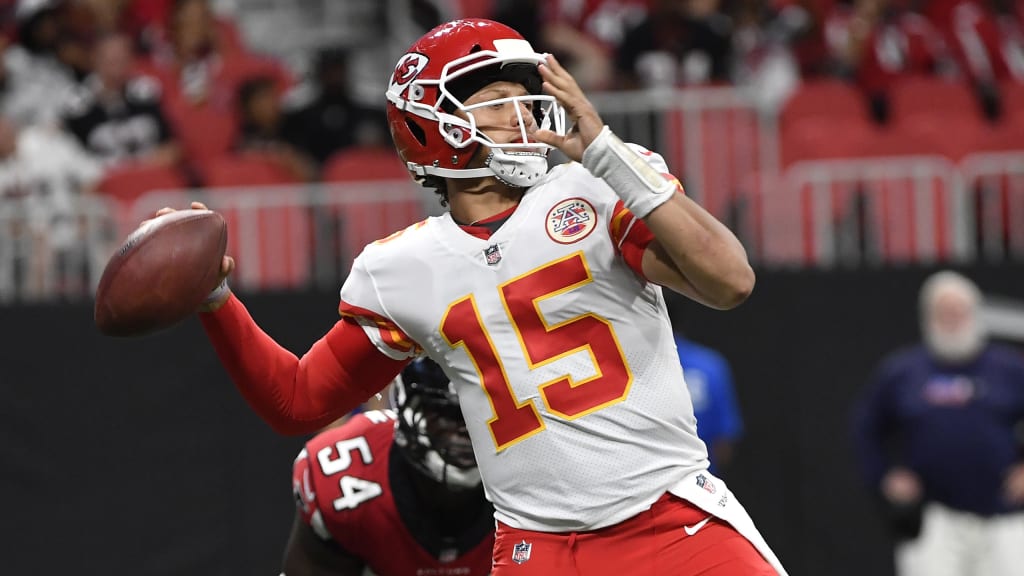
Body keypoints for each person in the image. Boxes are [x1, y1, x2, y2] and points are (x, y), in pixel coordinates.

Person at [170, 18, 786, 575]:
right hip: (535, 550)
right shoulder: (400, 268)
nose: (524, 116)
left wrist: (606, 152)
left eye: (525, 99)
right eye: (497, 103)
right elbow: (298, 400)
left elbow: (730, 280)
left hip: (671, 518)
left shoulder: (599, 185)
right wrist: (217, 302)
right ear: (429, 130)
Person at [852, 270, 1024, 576]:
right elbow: (867, 429)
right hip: (934, 520)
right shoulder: (902, 373)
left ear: (975, 314)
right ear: (927, 317)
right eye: (943, 312)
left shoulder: (1009, 368)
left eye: (959, 311)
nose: (952, 319)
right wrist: (886, 477)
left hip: (1005, 519)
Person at [282, 357, 494, 576]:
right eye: (447, 415)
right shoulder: (348, 476)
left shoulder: (529, 473)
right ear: (409, 408)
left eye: (482, 412)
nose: (465, 429)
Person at [674, 333, 744, 476]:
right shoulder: (710, 364)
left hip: (646, 486)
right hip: (703, 481)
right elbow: (724, 445)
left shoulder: (633, 366)